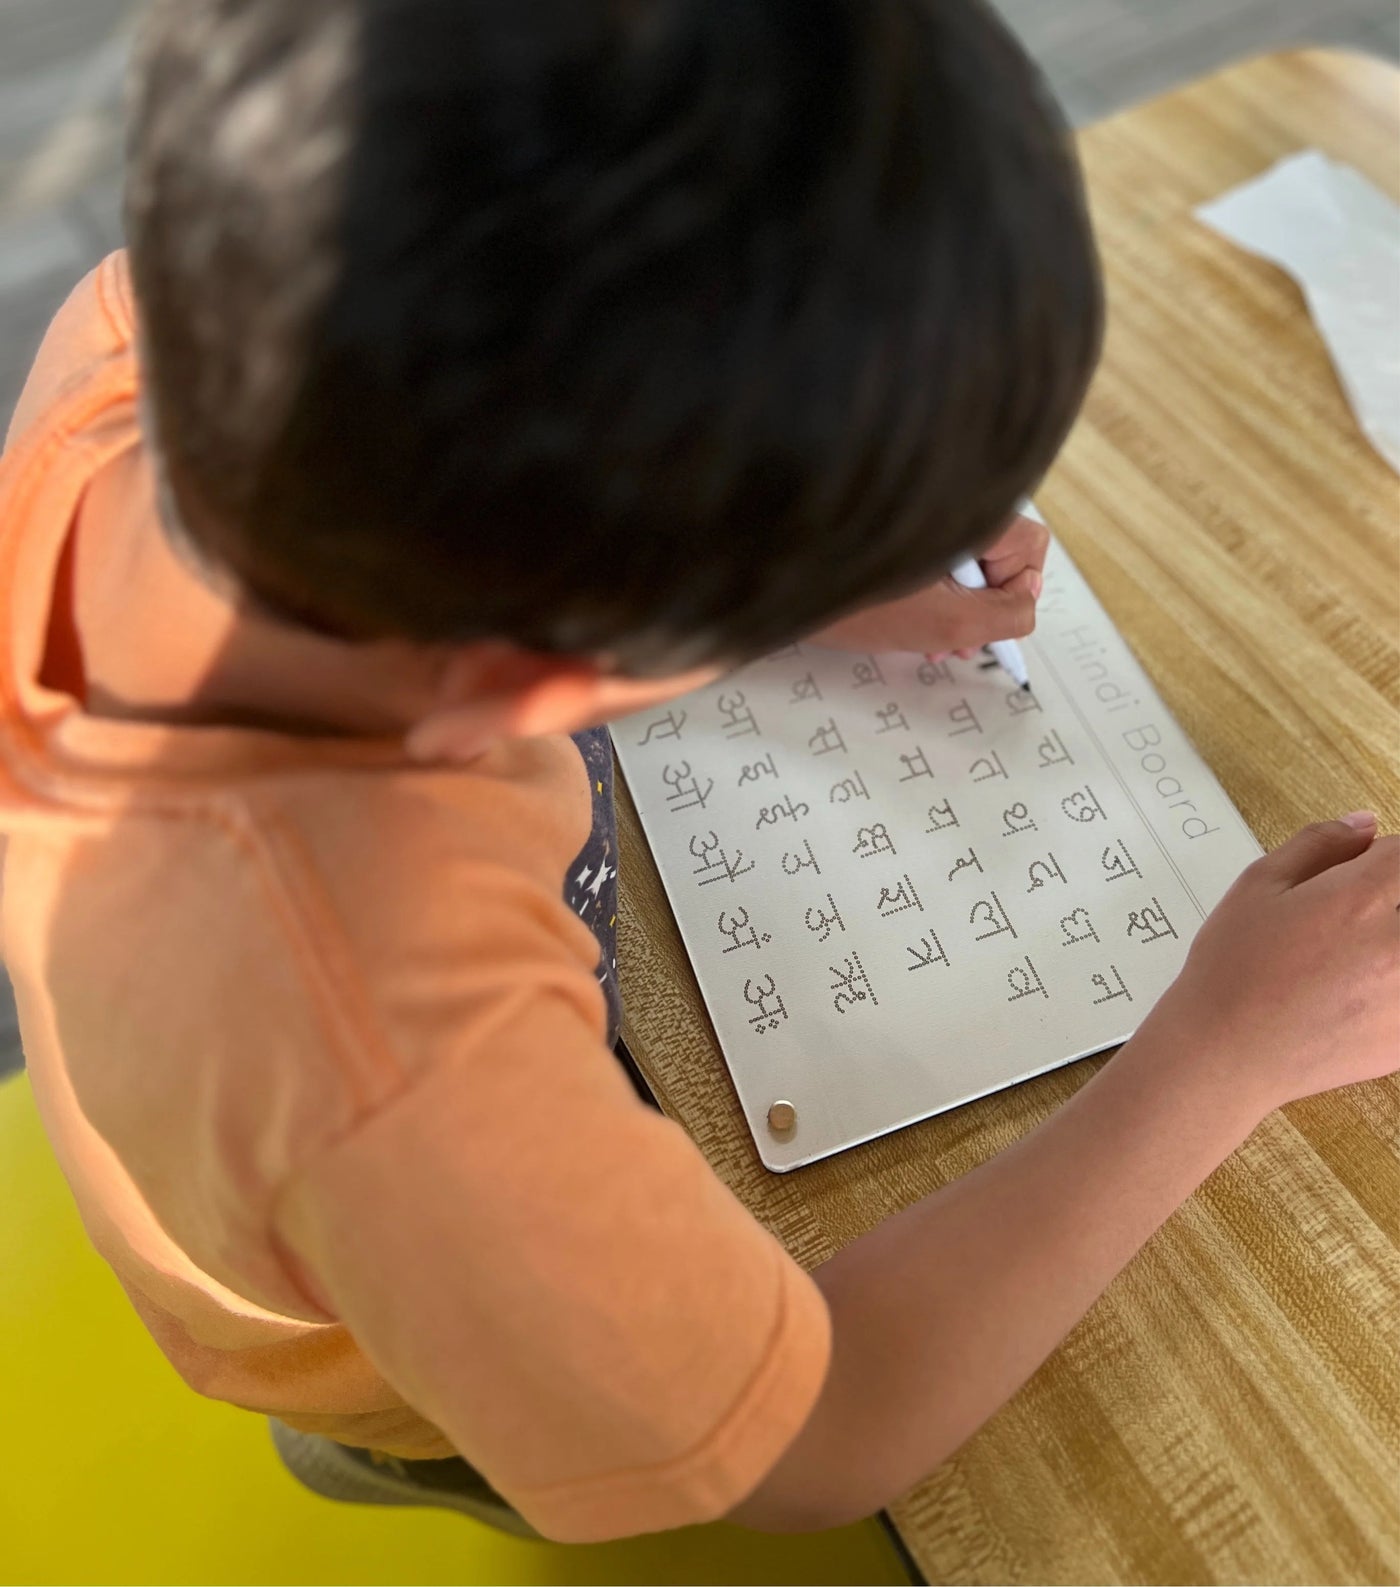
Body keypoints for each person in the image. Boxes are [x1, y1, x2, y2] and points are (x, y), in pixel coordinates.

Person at [1, 0, 1394, 1545]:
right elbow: (825, 1434)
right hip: (413, 1345)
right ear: (538, 673)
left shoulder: (157, 345)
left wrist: (779, 582)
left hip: (312, 1125)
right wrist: (1222, 1050)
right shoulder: (398, 1057)